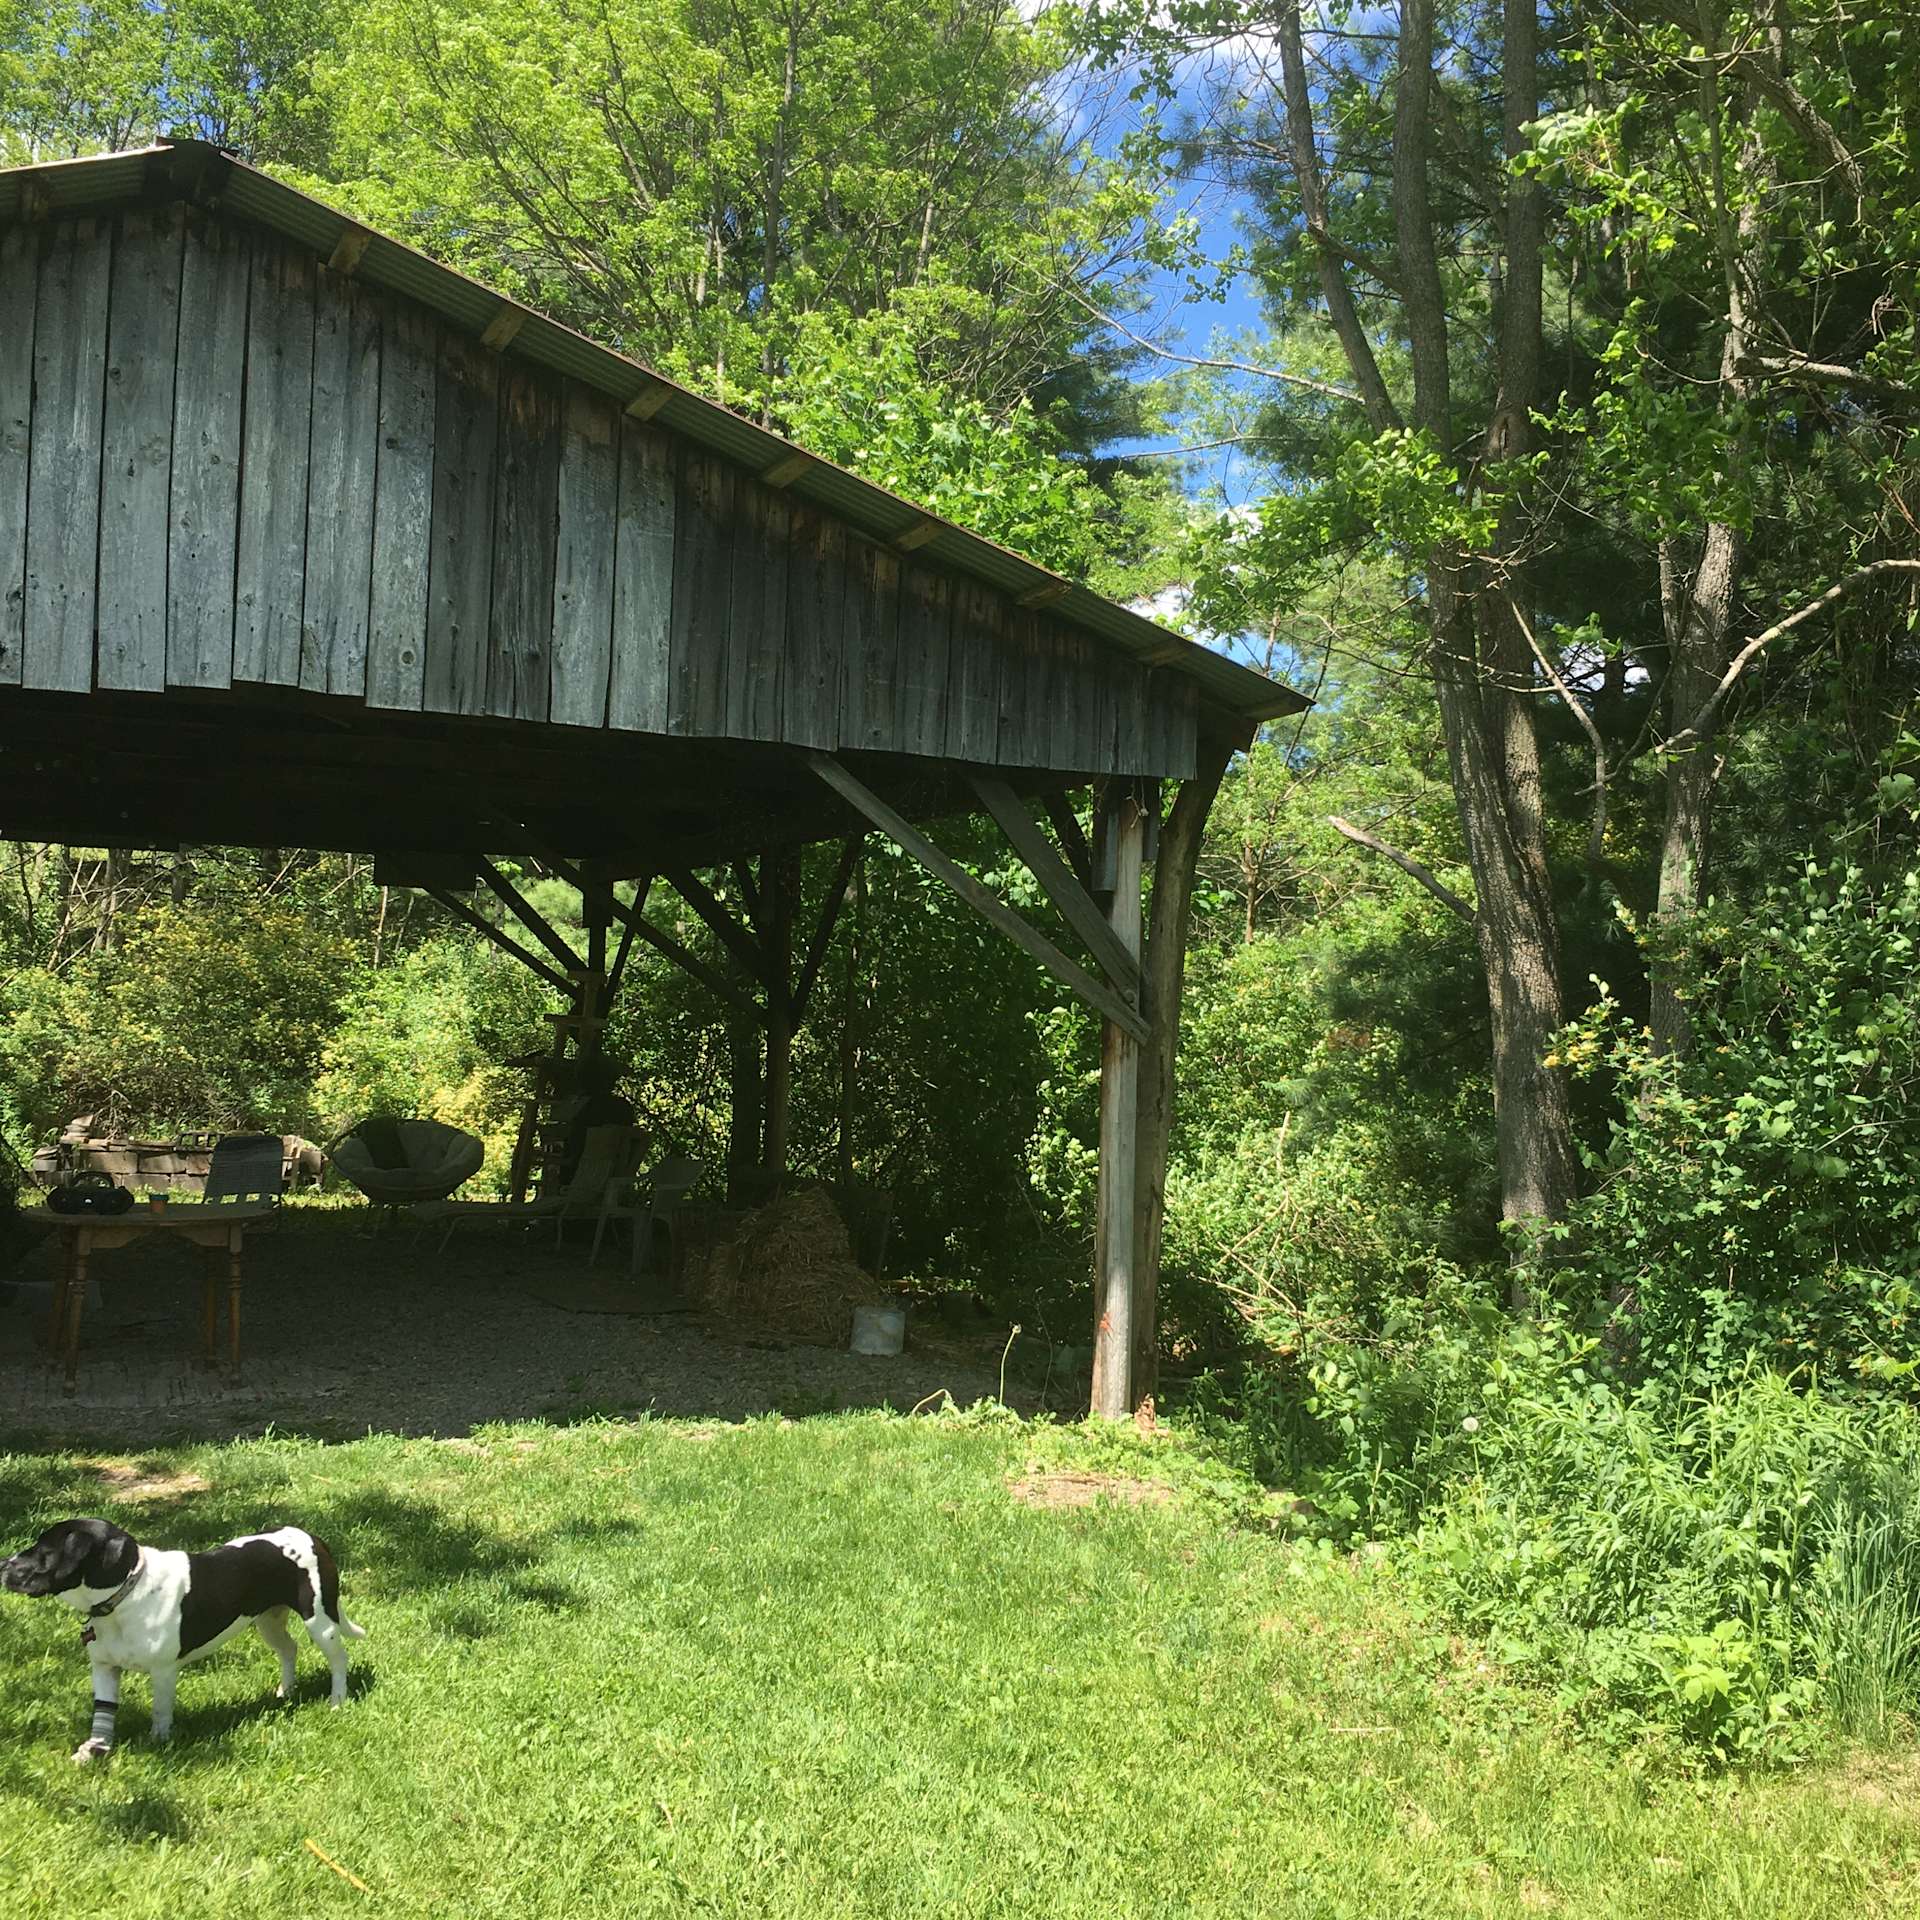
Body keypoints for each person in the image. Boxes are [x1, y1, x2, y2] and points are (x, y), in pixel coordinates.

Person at [555, 1056, 635, 1187]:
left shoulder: (582, 1108)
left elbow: (574, 1145)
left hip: (575, 1178)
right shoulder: (624, 1107)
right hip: (613, 1179)